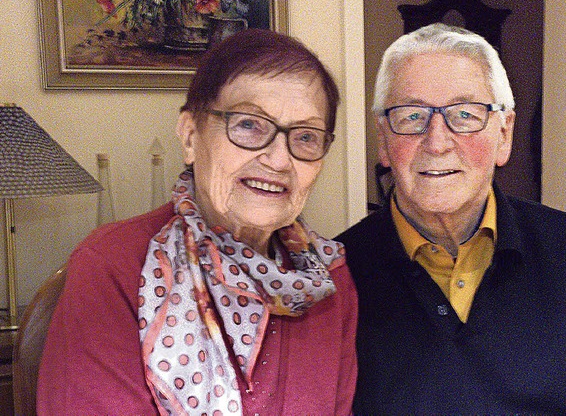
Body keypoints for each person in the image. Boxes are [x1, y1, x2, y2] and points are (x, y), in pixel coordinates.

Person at [38, 28, 357, 415]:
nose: (278, 160)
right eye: (249, 124)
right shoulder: (112, 267)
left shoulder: (329, 281)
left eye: (306, 136)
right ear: (190, 136)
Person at [336, 23, 566, 414]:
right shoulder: (336, 275)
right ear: (383, 139)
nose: (437, 141)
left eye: (465, 114)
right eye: (412, 117)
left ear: (504, 134)